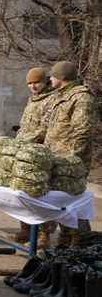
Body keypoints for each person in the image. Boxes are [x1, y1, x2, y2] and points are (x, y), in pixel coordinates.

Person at [41, 60, 95, 248]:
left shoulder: (80, 97)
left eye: (53, 76)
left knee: (73, 203)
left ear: (61, 78)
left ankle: (83, 243)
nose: (50, 79)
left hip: (70, 163)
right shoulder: (61, 96)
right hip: (57, 159)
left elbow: (82, 132)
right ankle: (65, 242)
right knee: (61, 203)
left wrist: (73, 160)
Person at [11, 67, 54, 243]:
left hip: (39, 153)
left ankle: (44, 235)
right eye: (30, 83)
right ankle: (26, 230)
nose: (33, 86)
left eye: (36, 82)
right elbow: (24, 125)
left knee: (41, 194)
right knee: (24, 192)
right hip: (26, 153)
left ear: (45, 81)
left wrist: (25, 141)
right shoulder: (32, 100)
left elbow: (45, 127)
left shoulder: (51, 100)